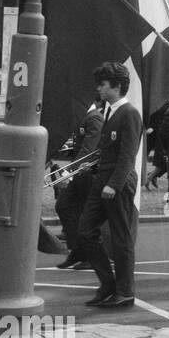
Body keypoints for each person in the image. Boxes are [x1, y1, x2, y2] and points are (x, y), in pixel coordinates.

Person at [76, 62, 142, 307]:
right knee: (84, 231)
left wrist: (114, 184)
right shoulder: (109, 111)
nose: (99, 88)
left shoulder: (129, 113)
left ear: (116, 86)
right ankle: (108, 284)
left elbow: (128, 154)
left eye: (103, 85)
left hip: (118, 183)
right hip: (102, 180)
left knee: (121, 237)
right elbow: (109, 150)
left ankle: (125, 292)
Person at [54, 97, 105, 269]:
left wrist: (69, 171)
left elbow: (88, 149)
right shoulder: (85, 117)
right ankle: (77, 250)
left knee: (85, 214)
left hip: (87, 173)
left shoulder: (94, 118)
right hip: (80, 172)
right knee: (63, 206)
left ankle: (91, 256)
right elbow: (79, 147)